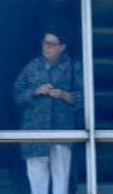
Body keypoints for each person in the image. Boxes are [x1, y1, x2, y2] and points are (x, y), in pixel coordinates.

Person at [14, 29, 83, 194]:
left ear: (62, 47)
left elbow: (85, 97)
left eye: (52, 44)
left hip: (62, 131)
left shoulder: (74, 67)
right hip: (35, 132)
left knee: (61, 181)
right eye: (45, 42)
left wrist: (64, 95)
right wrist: (36, 91)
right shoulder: (32, 67)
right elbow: (17, 95)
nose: (47, 47)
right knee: (37, 182)